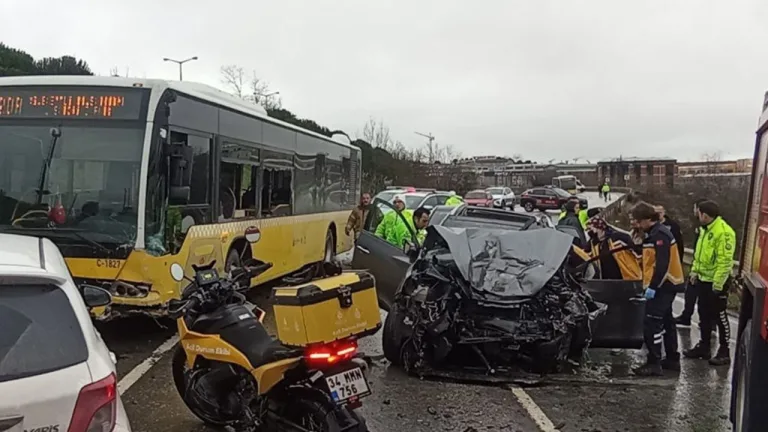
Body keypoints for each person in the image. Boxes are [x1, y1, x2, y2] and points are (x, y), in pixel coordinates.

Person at [631, 202, 684, 376]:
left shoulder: (660, 235)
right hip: (665, 284)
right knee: (668, 322)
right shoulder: (652, 234)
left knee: (652, 323)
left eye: (638, 221)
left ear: (647, 219)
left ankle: (654, 362)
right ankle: (672, 359)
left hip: (664, 285)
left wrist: (653, 287)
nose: (636, 225)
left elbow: (662, 264)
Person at [683, 200, 736, 366]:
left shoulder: (723, 232)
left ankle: (724, 351)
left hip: (716, 282)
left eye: (698, 213)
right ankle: (704, 346)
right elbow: (700, 256)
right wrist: (694, 272)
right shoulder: (706, 230)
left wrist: (718, 285)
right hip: (703, 280)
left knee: (719, 316)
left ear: (704, 215)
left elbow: (725, 261)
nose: (697, 216)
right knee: (703, 314)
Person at [675, 198, 708, 327]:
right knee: (690, 294)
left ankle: (707, 324)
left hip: (705, 270)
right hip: (697, 266)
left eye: (695, 208)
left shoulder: (707, 228)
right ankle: (686, 316)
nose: (693, 211)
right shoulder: (697, 224)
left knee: (703, 300)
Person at [585, 216, 642, 280]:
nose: (589, 232)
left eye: (591, 229)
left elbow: (636, 253)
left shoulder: (617, 238)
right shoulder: (594, 243)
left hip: (625, 277)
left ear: (600, 228)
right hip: (606, 279)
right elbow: (585, 254)